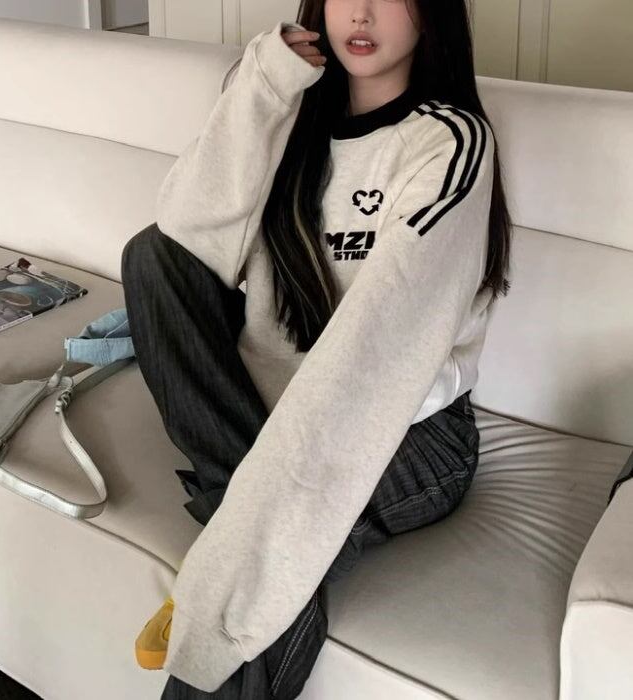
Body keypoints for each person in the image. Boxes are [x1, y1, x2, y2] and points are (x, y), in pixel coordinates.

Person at [122, 0, 513, 696]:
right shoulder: (289, 117)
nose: (360, 12)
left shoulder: (450, 144)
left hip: (405, 429)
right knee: (153, 257)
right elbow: (185, 234)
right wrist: (266, 86)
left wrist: (249, 536)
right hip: (272, 416)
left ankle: (230, 539)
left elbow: (371, 358)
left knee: (270, 556)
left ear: (431, 13)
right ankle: (242, 513)